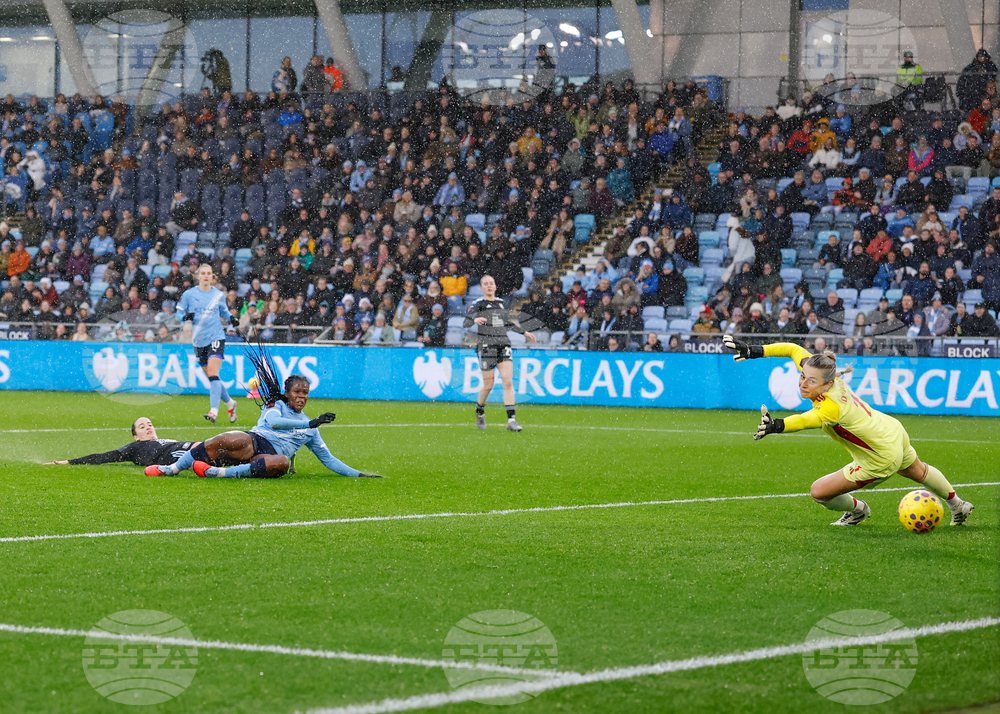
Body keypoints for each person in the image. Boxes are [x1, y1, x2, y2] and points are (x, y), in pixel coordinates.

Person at [723, 336, 974, 527]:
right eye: (802, 376)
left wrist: (777, 425)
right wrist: (755, 351)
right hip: (891, 430)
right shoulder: (825, 372)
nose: (803, 383)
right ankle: (958, 505)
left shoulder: (831, 406)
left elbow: (806, 420)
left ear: (828, 384)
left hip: (879, 456)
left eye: (811, 381)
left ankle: (858, 510)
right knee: (918, 470)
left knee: (819, 492)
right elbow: (792, 349)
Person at [146, 343, 381, 479]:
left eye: (305, 393)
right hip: (253, 442)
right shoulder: (275, 406)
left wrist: (358, 474)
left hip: (267, 458)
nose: (301, 396)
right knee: (227, 438)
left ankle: (218, 473)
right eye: (297, 392)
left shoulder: (312, 428)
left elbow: (329, 460)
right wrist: (309, 424)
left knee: (282, 463)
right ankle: (173, 468)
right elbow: (276, 423)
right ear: (287, 394)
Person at [463, 275, 537, 431]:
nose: (489, 286)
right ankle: (479, 410)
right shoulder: (478, 304)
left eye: (491, 283)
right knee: (488, 385)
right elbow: (466, 322)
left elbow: (507, 323)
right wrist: (474, 320)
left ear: (495, 287)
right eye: (486, 284)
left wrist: (524, 332)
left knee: (508, 382)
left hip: (503, 344)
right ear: (481, 288)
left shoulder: (501, 303)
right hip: (486, 347)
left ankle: (511, 420)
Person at [177, 264, 240, 424]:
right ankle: (230, 403)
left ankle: (213, 411)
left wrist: (231, 318)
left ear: (212, 277)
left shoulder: (218, 294)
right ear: (198, 276)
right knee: (214, 378)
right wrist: (185, 317)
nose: (206, 276)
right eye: (203, 273)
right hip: (198, 341)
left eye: (209, 274)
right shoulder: (189, 294)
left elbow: (224, 311)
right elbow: (178, 312)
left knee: (212, 373)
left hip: (216, 337)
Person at [46, 418, 198, 467]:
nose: (148, 427)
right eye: (142, 426)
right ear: (136, 437)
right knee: (202, 448)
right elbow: (105, 457)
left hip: (186, 448)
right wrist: (69, 462)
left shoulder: (167, 440)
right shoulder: (136, 447)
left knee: (214, 446)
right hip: (182, 453)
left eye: (149, 424)